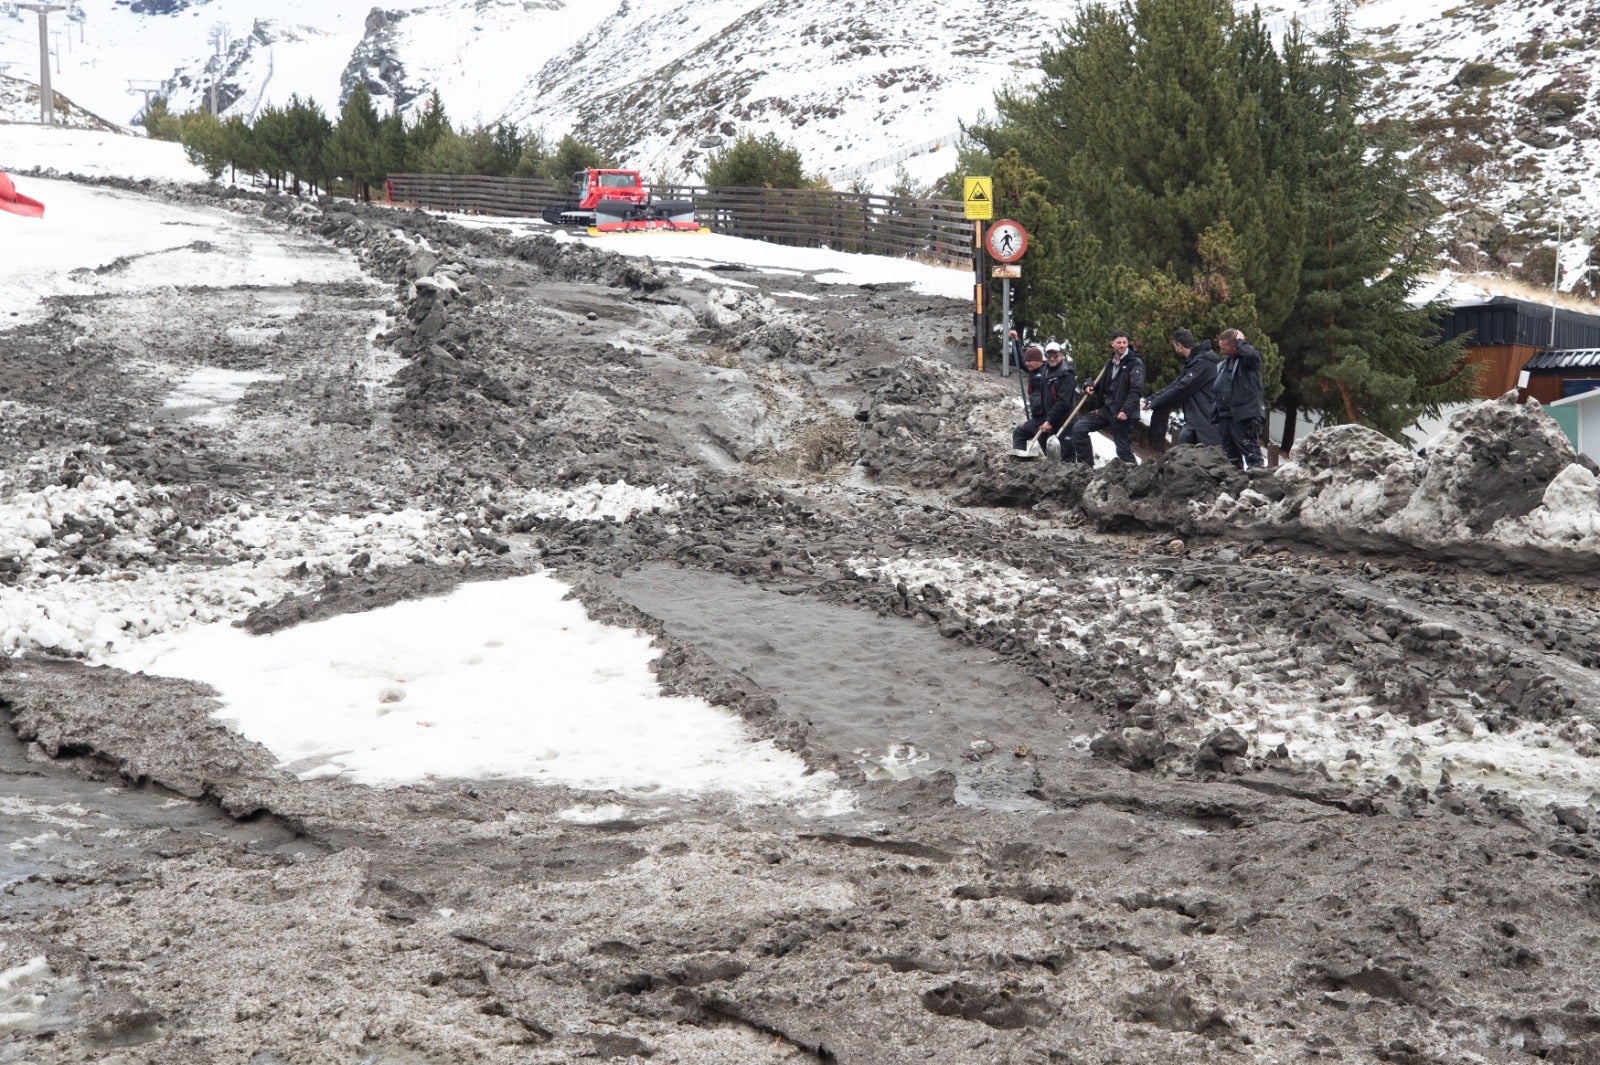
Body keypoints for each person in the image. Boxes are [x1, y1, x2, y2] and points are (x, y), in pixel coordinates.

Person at [1067, 331, 1144, 465]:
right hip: (1107, 409)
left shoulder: (1135, 363)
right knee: (1079, 428)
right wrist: (1089, 385)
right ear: (1112, 344)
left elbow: (1136, 390)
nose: (1122, 345)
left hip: (1122, 412)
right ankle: (1085, 468)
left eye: (1124, 342)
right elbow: (1099, 383)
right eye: (1119, 342)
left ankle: (1135, 478)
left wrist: (1126, 410)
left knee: (1123, 450)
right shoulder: (1110, 363)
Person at [1142, 328, 1222, 450]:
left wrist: (1154, 402)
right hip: (1196, 421)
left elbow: (1182, 388)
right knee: (1183, 443)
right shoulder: (1193, 362)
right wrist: (1151, 399)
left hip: (1207, 422)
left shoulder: (1202, 363)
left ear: (1179, 345)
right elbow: (1176, 384)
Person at [1211, 328, 1266, 469]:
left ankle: (1259, 484)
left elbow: (1253, 357)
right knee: (1230, 459)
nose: (1221, 351)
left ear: (1235, 346)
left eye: (1224, 348)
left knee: (1252, 456)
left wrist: (1241, 341)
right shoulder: (1225, 363)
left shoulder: (1249, 361)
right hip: (1225, 416)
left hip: (1242, 417)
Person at [1037, 341, 1078, 456]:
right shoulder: (1046, 370)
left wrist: (1049, 420)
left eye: (1055, 355)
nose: (1052, 358)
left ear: (1061, 355)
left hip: (1065, 419)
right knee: (1047, 445)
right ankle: (1053, 470)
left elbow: (1063, 402)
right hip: (1051, 417)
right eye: (1048, 355)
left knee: (1066, 451)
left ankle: (1069, 472)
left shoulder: (1066, 374)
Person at [1010, 344, 1049, 450]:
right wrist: (1016, 341)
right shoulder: (1032, 370)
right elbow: (1022, 361)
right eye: (1026, 361)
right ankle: (1020, 461)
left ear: (1038, 360)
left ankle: (1054, 464)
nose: (1026, 363)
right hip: (1036, 418)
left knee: (1045, 441)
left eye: (1029, 361)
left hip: (1046, 418)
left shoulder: (1048, 372)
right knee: (1019, 433)